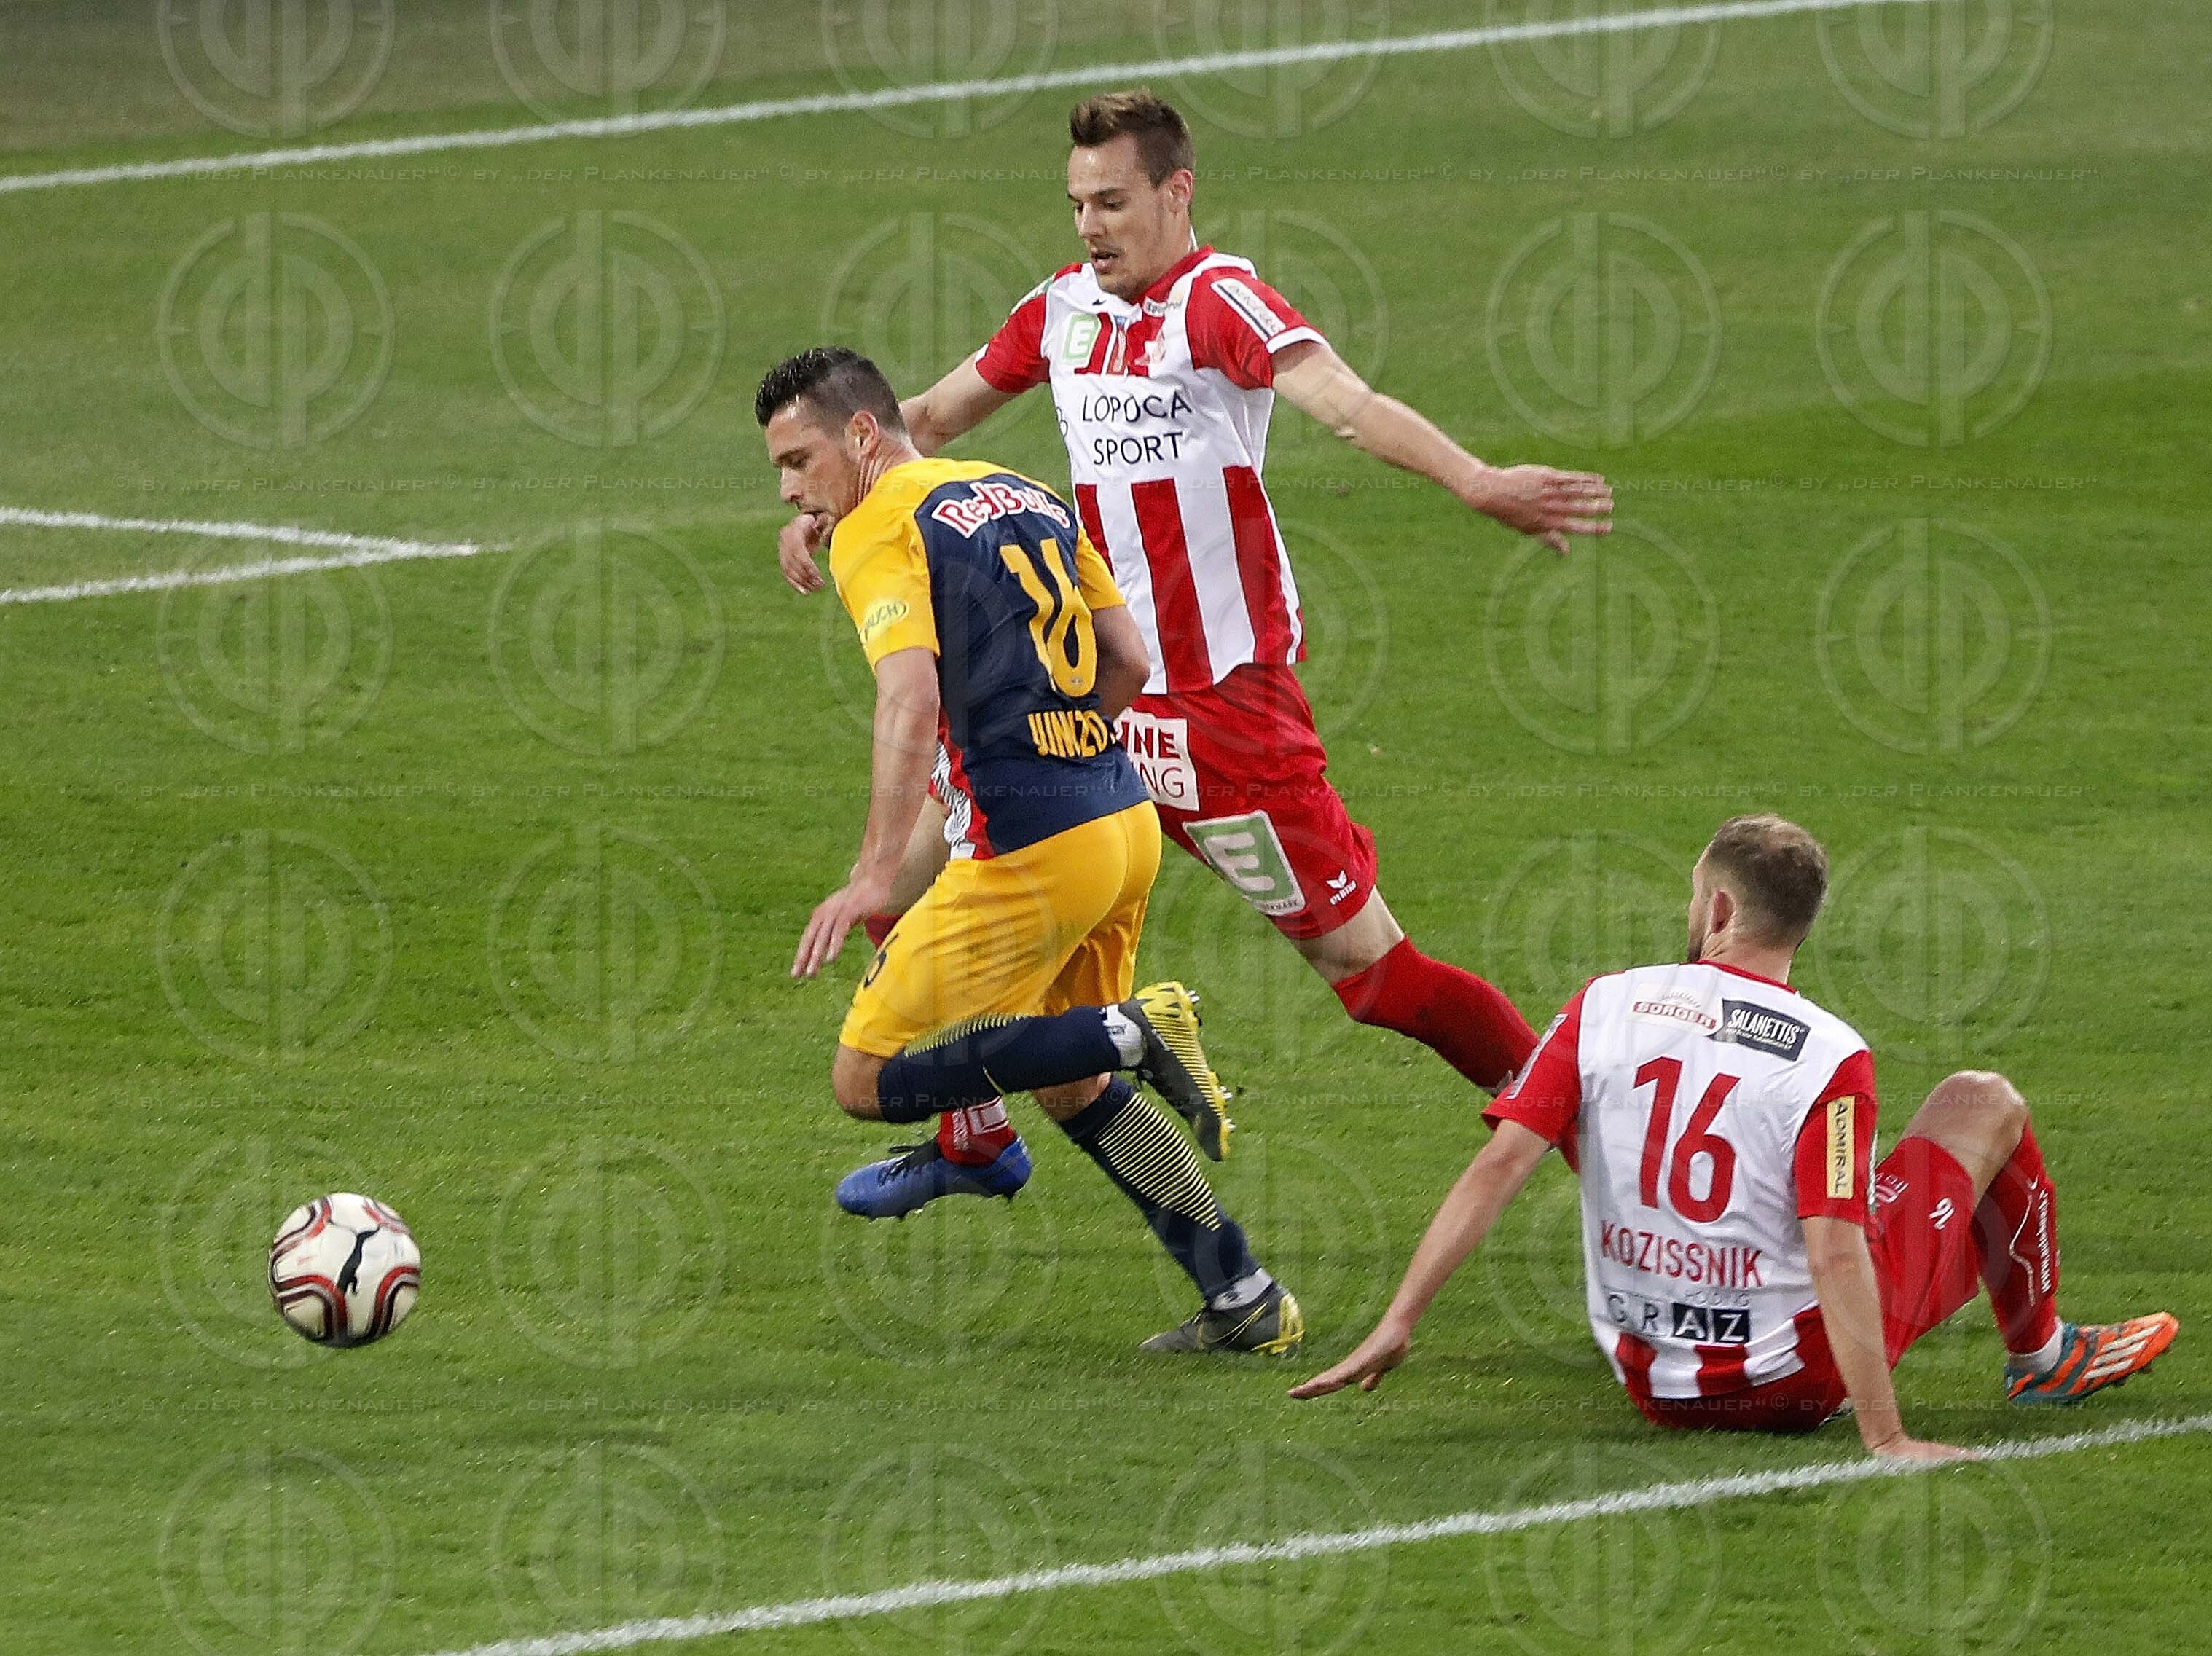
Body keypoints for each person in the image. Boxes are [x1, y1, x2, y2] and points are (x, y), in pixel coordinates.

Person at [785, 90, 1615, 1218]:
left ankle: (1569, 1117)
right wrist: (830, 499)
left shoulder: (1219, 305)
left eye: (1114, 201)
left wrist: (1476, 479)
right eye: (1077, 203)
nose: (1090, 226)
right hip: (1100, 699)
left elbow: (1345, 402)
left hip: (1226, 720)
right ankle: (974, 1142)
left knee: (1371, 979)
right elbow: (925, 416)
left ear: (1178, 192)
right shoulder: (1061, 312)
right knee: (902, 876)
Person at [1290, 815, 2179, 1453]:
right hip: (1793, 1384)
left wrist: (1399, 1319)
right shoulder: (1831, 1055)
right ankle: (2043, 1352)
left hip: (1652, 1381)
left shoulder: (1602, 1004)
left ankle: (2035, 1354)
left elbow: (1498, 1166)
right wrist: (1887, 1435)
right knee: (1979, 1100)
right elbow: (1834, 1249)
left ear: (1717, 909)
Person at [759, 345, 1302, 1355]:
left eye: (800, 462)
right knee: (1068, 1085)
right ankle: (1243, 1296)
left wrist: (877, 871)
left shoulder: (878, 527)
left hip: (1033, 851)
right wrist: (1058, 744)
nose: (792, 489)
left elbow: (910, 694)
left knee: (864, 1077)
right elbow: (1131, 659)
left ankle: (1134, 1030)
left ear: (863, 437)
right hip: (1120, 821)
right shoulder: (1021, 487)